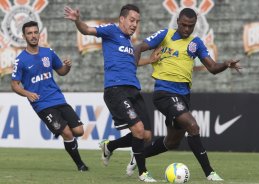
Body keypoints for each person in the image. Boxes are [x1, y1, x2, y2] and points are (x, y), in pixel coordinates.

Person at [128, 8, 242, 181]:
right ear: (178, 22)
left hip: (183, 96)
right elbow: (139, 47)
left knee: (172, 142)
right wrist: (131, 70)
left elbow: (212, 67)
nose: (187, 29)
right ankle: (210, 173)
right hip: (164, 92)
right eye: (184, 25)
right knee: (193, 126)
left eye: (191, 26)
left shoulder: (195, 43)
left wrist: (225, 64)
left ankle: (139, 155)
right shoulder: (165, 35)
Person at [64, 4, 159, 182]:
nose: (134, 24)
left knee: (146, 135)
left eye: (137, 22)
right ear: (121, 19)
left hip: (133, 89)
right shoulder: (110, 30)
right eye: (132, 20)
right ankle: (143, 173)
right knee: (138, 130)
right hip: (116, 89)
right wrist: (77, 20)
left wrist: (149, 60)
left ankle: (110, 146)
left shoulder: (128, 42)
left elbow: (131, 63)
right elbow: (86, 30)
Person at [11, 21, 88, 172]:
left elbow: (61, 72)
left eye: (35, 32)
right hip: (42, 103)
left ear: (39, 34)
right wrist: (27, 93)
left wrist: (68, 67)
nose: (33, 36)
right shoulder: (21, 60)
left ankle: (66, 138)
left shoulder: (48, 52)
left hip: (58, 98)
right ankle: (80, 165)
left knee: (79, 131)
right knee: (67, 132)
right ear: (24, 36)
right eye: (29, 33)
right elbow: (14, 85)